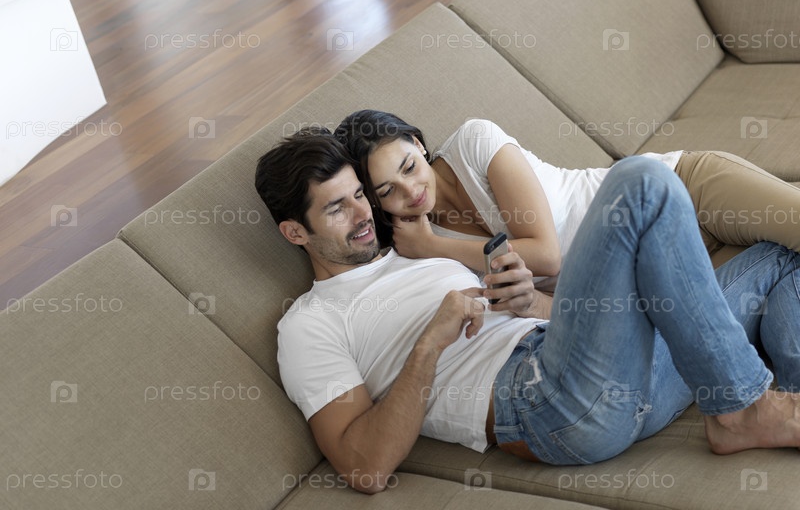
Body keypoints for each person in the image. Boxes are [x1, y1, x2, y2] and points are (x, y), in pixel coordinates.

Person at [254, 127, 800, 494]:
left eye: (358, 196)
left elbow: (557, 310)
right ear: (295, 232)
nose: (361, 216)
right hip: (548, 402)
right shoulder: (309, 323)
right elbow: (365, 467)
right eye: (336, 208)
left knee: (780, 255)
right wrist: (430, 343)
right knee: (641, 181)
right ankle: (744, 408)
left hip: (619, 373)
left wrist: (530, 299)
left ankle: (782, 395)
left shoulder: (418, 245)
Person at [334, 110, 800, 295]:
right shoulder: (413, 245)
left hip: (678, 189)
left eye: (408, 167)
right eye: (387, 191)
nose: (410, 192)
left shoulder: (475, 142)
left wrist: (435, 246)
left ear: (418, 143)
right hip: (660, 271)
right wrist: (428, 246)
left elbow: (545, 255)